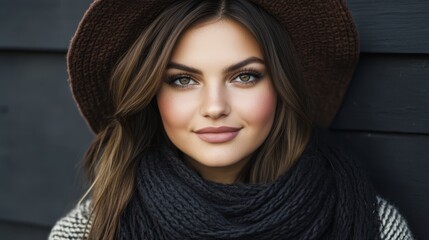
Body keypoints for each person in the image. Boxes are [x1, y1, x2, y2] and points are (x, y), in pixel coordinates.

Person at [49, 0, 414, 239]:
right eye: (182, 80)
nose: (214, 106)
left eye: (245, 76)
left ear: (282, 87)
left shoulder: (372, 226)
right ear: (150, 96)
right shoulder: (89, 230)